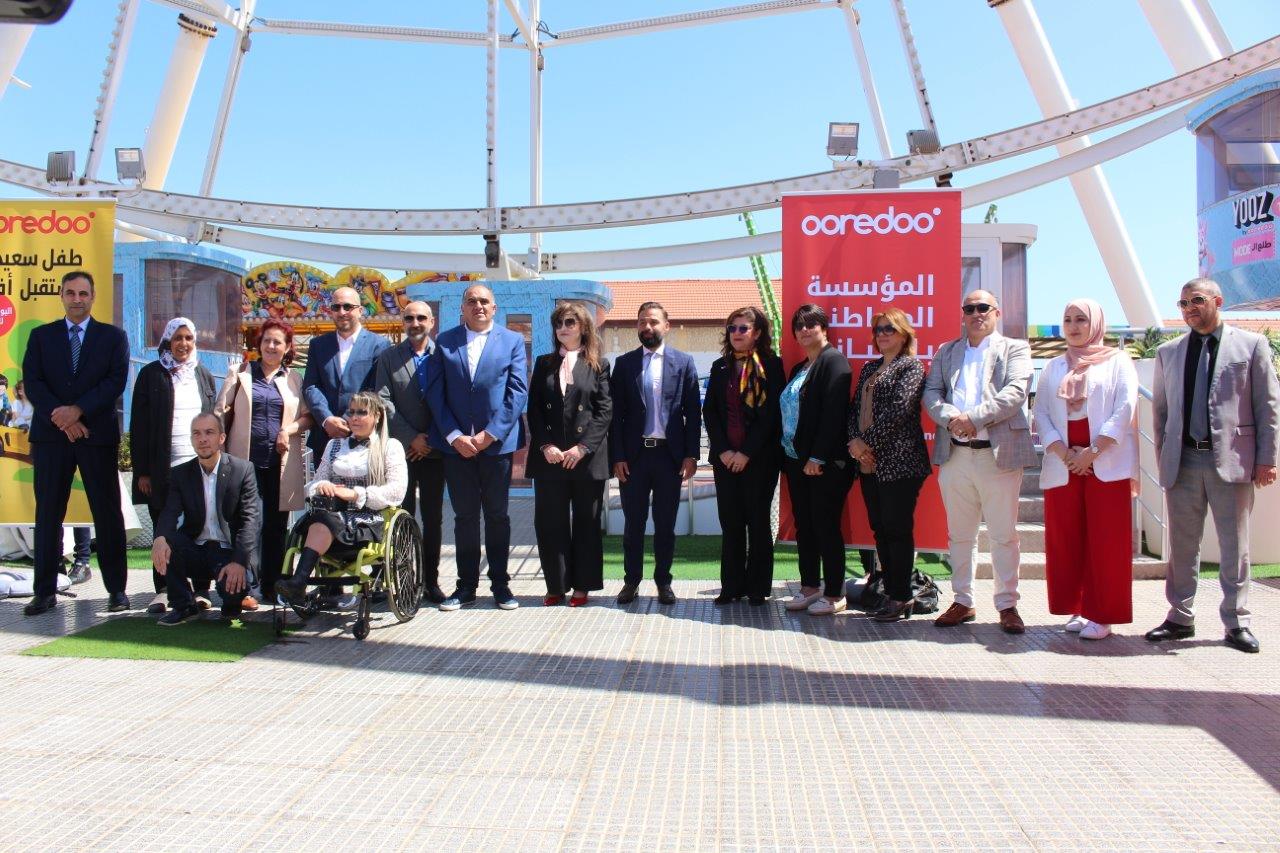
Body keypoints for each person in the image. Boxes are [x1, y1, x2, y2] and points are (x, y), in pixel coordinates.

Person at [1146, 278, 1280, 653]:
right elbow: (1161, 413)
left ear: (1217, 301)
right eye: (1183, 303)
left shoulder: (1251, 345)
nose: (1189, 308)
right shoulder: (1168, 353)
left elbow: (1267, 407)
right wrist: (1164, 458)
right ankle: (1180, 617)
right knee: (1182, 545)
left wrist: (1267, 459)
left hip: (1233, 461)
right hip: (1183, 461)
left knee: (1235, 545)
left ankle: (1237, 622)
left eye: (1197, 300)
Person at [923, 289, 1037, 634]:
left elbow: (1015, 392)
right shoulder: (947, 351)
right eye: (970, 308)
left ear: (996, 312)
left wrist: (973, 418)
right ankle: (963, 600)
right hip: (956, 454)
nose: (976, 314)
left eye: (983, 307)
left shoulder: (1015, 348)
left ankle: (1007, 605)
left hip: (997, 455)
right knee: (960, 535)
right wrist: (951, 418)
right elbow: (931, 393)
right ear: (963, 314)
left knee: (1003, 535)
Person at [21, 270, 131, 616]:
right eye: (71, 293)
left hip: (95, 436)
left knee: (107, 513)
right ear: (61, 295)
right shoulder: (41, 336)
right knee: (48, 514)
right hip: (51, 437)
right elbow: (33, 382)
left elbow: (115, 381)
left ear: (93, 296)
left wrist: (78, 411)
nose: (77, 299)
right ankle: (44, 592)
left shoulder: (113, 337)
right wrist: (62, 417)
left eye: (83, 293)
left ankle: (117, 590)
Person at [1033, 299, 1138, 640]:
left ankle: (1102, 614)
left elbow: (1125, 407)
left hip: (1104, 459)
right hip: (1064, 461)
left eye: (1081, 319)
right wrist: (1064, 453)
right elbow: (1041, 411)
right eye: (1068, 320)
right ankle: (1078, 606)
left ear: (1096, 324)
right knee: (1066, 537)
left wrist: (1091, 454)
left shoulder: (1118, 361)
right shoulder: (1053, 366)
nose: (1074, 326)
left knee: (1106, 539)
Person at [425, 284, 528, 611]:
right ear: (463, 308)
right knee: (465, 517)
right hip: (457, 448)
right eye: (472, 301)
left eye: (484, 301)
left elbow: (517, 392)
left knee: (497, 516)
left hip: (496, 447)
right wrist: (454, 436)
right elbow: (435, 393)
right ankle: (466, 587)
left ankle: (501, 585)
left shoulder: (511, 341)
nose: (478, 306)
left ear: (494, 308)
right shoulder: (445, 341)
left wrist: (490, 435)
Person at [609, 301, 701, 606]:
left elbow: (693, 413)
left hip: (669, 458)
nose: (647, 327)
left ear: (666, 326)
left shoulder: (684, 363)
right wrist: (617, 456)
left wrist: (691, 455)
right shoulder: (624, 364)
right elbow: (615, 416)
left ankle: (664, 582)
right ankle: (631, 581)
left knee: (665, 525)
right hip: (633, 459)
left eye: (653, 322)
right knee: (633, 524)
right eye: (642, 322)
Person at [275, 392, 408, 603]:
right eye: (351, 412)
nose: (354, 418)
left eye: (362, 413)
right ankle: (298, 582)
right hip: (331, 516)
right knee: (319, 519)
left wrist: (356, 494)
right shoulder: (334, 445)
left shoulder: (390, 447)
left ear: (377, 416)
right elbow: (314, 483)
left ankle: (299, 581)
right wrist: (322, 486)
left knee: (323, 521)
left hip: (368, 519)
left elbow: (397, 490)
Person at [215, 319, 313, 606]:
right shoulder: (241, 373)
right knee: (248, 524)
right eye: (267, 340)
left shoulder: (294, 379)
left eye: (277, 342)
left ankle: (272, 585)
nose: (271, 346)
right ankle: (245, 586)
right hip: (245, 463)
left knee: (276, 525)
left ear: (287, 347)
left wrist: (288, 431)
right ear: (258, 344)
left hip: (280, 463)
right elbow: (220, 412)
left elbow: (307, 417)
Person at [847, 309, 932, 622]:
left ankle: (901, 597)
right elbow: (854, 409)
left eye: (889, 329)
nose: (882, 334)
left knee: (897, 530)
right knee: (880, 530)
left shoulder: (911, 366)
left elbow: (898, 411)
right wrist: (854, 443)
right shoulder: (870, 367)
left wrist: (865, 443)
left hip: (900, 462)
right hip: (868, 463)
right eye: (878, 329)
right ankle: (890, 593)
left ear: (904, 334)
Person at [130, 317, 219, 614]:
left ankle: (201, 588)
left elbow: (211, 418)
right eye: (177, 338)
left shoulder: (203, 374)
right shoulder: (151, 374)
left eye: (188, 338)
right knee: (163, 527)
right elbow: (139, 426)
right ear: (168, 341)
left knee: (201, 525)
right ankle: (165, 589)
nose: (183, 344)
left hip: (198, 467)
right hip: (162, 469)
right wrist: (143, 471)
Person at [528, 303, 613, 606]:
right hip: (550, 459)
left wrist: (582, 447)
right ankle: (556, 585)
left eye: (569, 323)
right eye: (558, 323)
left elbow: (604, 411)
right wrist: (546, 446)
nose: (562, 328)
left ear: (583, 327)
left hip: (586, 459)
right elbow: (535, 410)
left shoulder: (600, 364)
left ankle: (582, 586)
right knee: (550, 523)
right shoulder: (543, 363)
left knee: (587, 524)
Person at [703, 306, 784, 606]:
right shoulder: (719, 367)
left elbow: (771, 414)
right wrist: (724, 450)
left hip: (759, 460)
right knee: (731, 523)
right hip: (725, 460)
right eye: (732, 328)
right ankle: (731, 586)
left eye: (743, 328)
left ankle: (758, 587)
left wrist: (746, 452)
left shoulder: (772, 366)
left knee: (758, 523)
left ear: (757, 333)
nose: (736, 333)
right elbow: (710, 412)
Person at [150, 414, 261, 624]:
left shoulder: (242, 470)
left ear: (221, 438)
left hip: (228, 551)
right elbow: (169, 512)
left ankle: (234, 600)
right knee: (167, 543)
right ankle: (183, 605)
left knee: (231, 601)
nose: (202, 439)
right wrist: (160, 538)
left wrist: (239, 561)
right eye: (197, 434)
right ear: (191, 439)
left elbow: (250, 520)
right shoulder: (180, 474)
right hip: (196, 547)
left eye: (209, 432)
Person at [780, 304, 854, 615]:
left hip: (825, 463)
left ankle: (835, 592)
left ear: (824, 328)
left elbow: (833, 415)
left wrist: (817, 456)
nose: (804, 330)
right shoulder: (800, 368)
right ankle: (809, 587)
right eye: (799, 326)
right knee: (805, 526)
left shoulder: (834, 361)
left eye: (811, 324)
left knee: (825, 526)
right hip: (796, 461)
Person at [375, 301, 447, 605]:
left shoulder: (444, 355)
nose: (415, 323)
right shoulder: (389, 358)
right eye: (409, 318)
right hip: (401, 454)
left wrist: (429, 439)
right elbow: (383, 400)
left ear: (431, 322)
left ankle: (430, 582)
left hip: (435, 452)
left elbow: (450, 399)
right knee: (400, 517)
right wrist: (411, 439)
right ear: (403, 322)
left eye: (421, 318)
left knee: (433, 519)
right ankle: (402, 581)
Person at [302, 285, 391, 463]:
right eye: (336, 307)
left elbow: (376, 389)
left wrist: (348, 420)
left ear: (360, 311)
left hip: (363, 439)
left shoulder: (379, 345)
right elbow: (311, 386)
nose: (342, 312)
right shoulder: (318, 345)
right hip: (325, 437)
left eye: (348, 307)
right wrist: (327, 419)